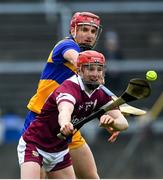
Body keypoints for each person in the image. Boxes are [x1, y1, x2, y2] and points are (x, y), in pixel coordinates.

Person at [21, 12, 120, 179]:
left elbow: (92, 97)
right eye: (84, 29)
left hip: (68, 126)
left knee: (91, 176)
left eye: (93, 31)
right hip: (40, 123)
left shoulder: (89, 66)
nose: (89, 35)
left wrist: (113, 118)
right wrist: (95, 72)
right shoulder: (66, 46)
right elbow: (77, 60)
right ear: (73, 30)